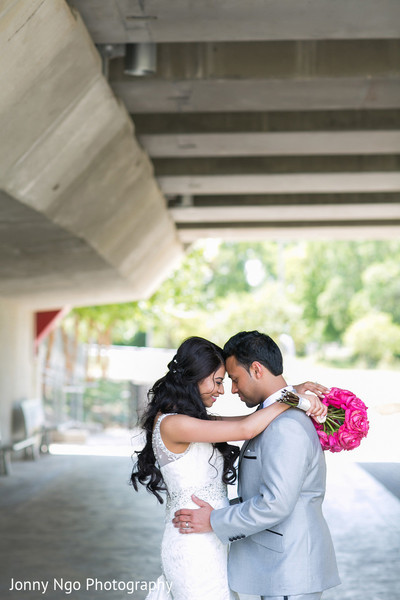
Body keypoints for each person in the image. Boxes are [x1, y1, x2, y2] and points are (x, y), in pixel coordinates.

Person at [131, 336, 328, 600]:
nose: (223, 391)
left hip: (211, 537)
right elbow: (246, 428)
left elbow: (250, 419)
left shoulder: (195, 421)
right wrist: (293, 398)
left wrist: (289, 392)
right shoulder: (173, 424)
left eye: (228, 380)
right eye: (219, 381)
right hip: (193, 543)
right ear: (194, 377)